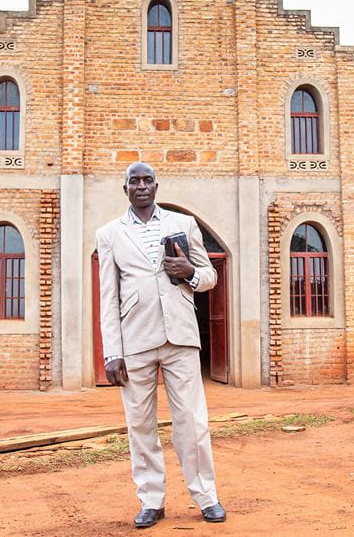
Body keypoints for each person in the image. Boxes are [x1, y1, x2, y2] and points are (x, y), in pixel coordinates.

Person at [96, 162, 226, 528]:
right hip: (135, 340)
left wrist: (191, 273)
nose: (141, 186)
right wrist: (112, 352)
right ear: (125, 189)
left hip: (181, 337)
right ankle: (151, 500)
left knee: (193, 421)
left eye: (147, 180)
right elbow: (108, 295)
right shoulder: (109, 234)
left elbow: (211, 277)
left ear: (156, 186)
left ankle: (206, 496)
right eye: (133, 181)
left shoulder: (182, 225)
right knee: (140, 424)